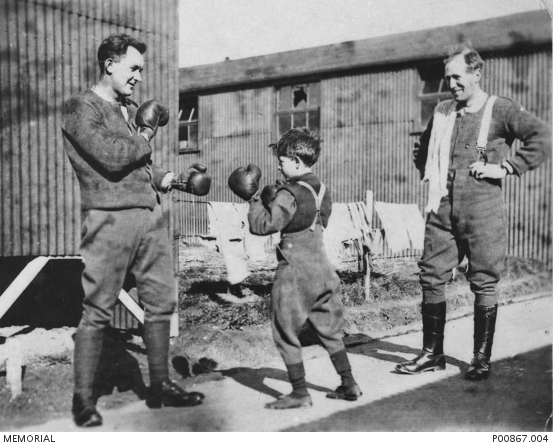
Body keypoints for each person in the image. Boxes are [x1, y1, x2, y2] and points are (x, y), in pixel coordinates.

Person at [61, 33, 209, 427]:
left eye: (141, 70)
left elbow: (139, 168)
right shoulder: (80, 107)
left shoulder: (125, 110)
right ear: (109, 64)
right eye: (133, 68)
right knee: (98, 310)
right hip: (109, 220)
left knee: (160, 302)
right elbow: (112, 159)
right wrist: (145, 133)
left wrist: (178, 179)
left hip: (148, 216)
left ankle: (160, 386)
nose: (139, 78)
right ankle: (83, 401)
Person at [396, 44, 551, 380]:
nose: (452, 84)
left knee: (483, 280)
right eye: (447, 78)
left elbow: (543, 136)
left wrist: (507, 167)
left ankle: (481, 358)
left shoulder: (501, 109)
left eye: (457, 76)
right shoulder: (442, 111)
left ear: (477, 73)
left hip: (483, 208)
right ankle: (431, 353)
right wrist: (431, 168)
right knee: (431, 275)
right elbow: (422, 149)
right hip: (442, 207)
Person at [228, 128, 362, 409]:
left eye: (282, 160)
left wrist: (253, 200)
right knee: (330, 331)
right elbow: (319, 220)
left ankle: (300, 393)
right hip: (323, 269)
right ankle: (349, 384)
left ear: (297, 162)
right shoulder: (322, 189)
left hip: (295, 271)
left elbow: (262, 226)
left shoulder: (290, 193)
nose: (279, 164)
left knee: (285, 331)